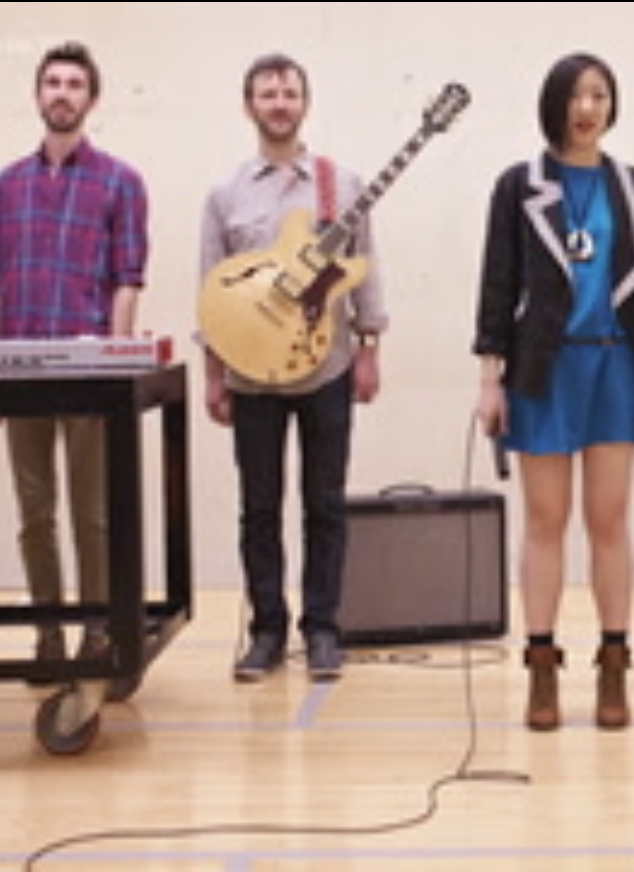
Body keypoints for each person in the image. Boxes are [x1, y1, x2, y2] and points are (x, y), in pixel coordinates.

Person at [472, 51, 634, 731]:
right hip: (544, 369)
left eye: (599, 94)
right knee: (546, 520)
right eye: (576, 94)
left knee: (609, 519)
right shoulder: (519, 185)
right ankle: (541, 665)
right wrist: (491, 378)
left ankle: (614, 664)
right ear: (555, 104)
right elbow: (498, 284)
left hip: (616, 366)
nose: (588, 106)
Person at [199, 52, 389, 683]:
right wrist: (213, 374)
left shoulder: (342, 184)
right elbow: (211, 291)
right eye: (267, 93)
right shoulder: (225, 194)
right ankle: (267, 632)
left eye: (288, 93)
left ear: (304, 103)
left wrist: (368, 349)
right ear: (248, 105)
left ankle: (323, 629)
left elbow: (367, 269)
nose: (279, 103)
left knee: (325, 503)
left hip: (326, 366)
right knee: (259, 507)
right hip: (251, 375)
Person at [0, 40, 149, 669]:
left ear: (92, 99)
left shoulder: (120, 181)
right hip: (20, 370)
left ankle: (97, 630)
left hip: (86, 374)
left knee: (93, 514)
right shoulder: (8, 184)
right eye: (52, 82)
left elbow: (128, 278)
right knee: (34, 513)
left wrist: (114, 364)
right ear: (37, 95)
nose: (62, 93)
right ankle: (48, 631)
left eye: (74, 84)